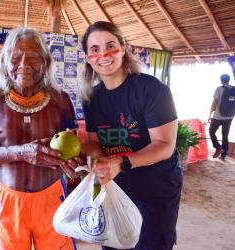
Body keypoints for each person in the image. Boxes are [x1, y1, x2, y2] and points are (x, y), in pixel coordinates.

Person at [0, 27, 80, 250]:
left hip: (52, 197)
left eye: (33, 57)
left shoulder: (61, 101)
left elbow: (73, 148)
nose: (24, 65)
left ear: (46, 63)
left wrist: (75, 162)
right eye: (16, 57)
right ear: (4, 62)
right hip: (9, 200)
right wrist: (20, 152)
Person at [80, 21, 183, 250]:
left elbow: (164, 145)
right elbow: (96, 143)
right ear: (88, 57)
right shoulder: (91, 98)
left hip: (155, 189)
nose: (103, 54)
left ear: (123, 49)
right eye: (95, 49)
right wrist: (86, 152)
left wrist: (121, 161)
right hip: (115, 189)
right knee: (113, 245)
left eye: (110, 45)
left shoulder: (152, 90)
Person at [207, 73, 234, 161]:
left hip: (218, 116)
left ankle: (218, 147)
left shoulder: (219, 89)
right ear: (228, 80)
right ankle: (223, 155)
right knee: (225, 135)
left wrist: (209, 115)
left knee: (211, 131)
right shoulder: (233, 89)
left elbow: (214, 103)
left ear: (221, 80)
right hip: (229, 117)